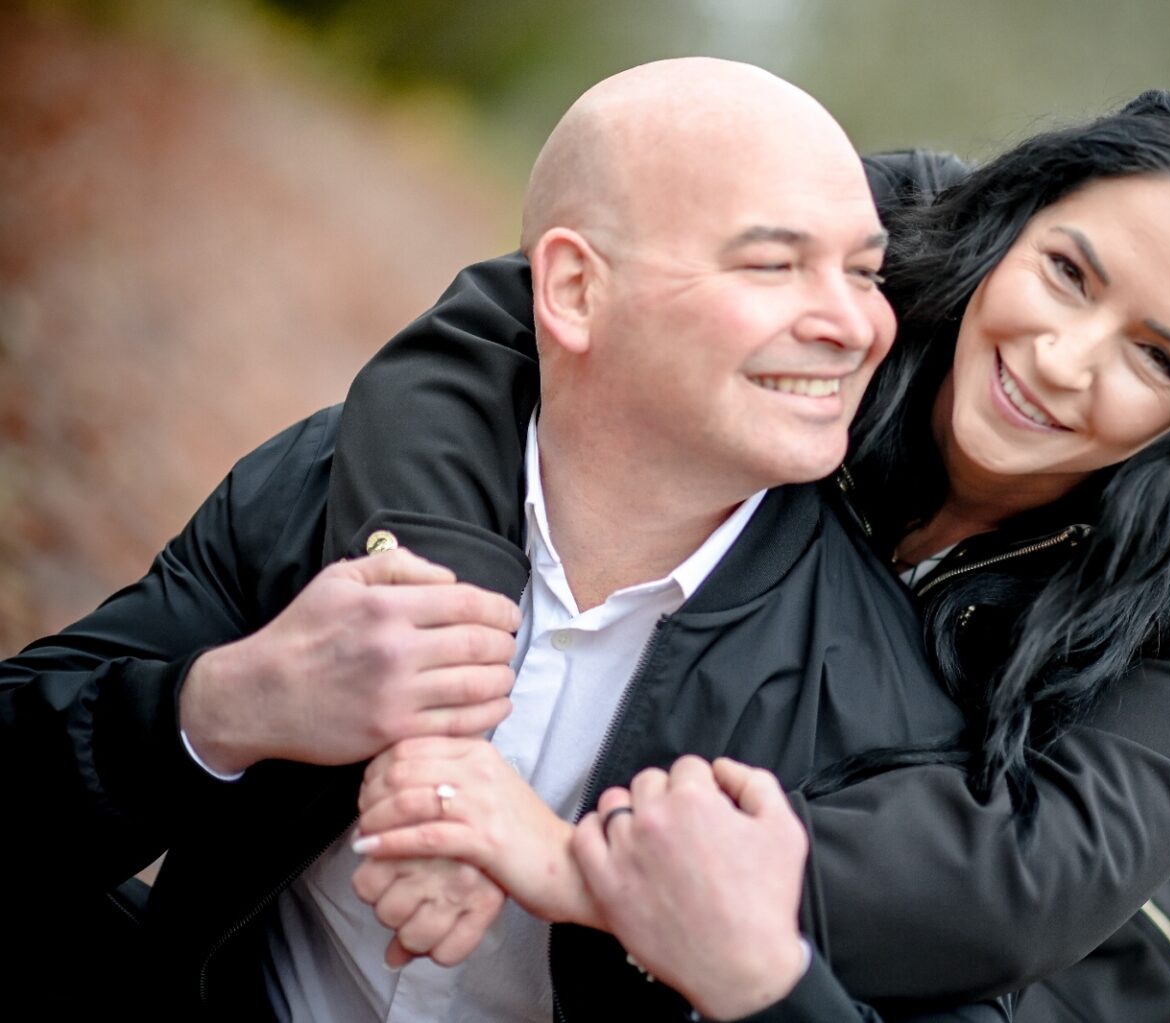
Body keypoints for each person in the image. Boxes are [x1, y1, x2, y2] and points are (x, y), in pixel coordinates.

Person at [325, 89, 1170, 1021]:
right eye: (1068, 274)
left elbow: (1031, 876)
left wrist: (601, 867)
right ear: (1018, 217)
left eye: (1155, 355)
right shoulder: (876, 238)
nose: (1062, 359)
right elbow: (513, 329)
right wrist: (436, 695)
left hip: (1093, 938)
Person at [0, 59, 987, 1021]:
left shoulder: (887, 701)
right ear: (572, 290)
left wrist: (756, 979)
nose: (856, 325)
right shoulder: (338, 481)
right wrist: (227, 704)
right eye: (774, 263)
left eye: (866, 272)